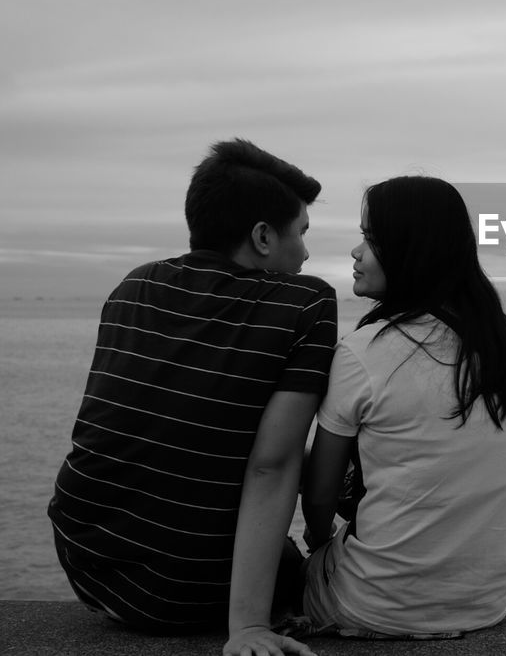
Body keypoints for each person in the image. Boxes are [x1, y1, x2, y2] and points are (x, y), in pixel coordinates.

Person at [47, 138, 337, 656]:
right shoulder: (305, 302)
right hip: (191, 590)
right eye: (303, 233)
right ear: (263, 237)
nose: (308, 252)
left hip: (87, 566)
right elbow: (272, 466)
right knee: (311, 563)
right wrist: (247, 627)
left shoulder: (133, 287)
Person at [300, 175, 506, 639]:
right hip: (486, 602)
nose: (356, 252)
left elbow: (320, 496)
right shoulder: (505, 343)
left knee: (284, 550)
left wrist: (317, 541)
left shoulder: (363, 350)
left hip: (375, 606)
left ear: (409, 248)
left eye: (369, 237)